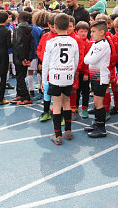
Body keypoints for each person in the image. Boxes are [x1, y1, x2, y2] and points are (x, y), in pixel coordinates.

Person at [42, 13, 79, 145]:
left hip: (55, 76)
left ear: (55, 26)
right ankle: (68, 131)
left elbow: (45, 63)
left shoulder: (51, 42)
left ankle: (57, 135)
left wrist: (43, 80)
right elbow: (76, 61)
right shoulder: (74, 41)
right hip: (68, 76)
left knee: (57, 104)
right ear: (68, 26)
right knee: (67, 102)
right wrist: (71, 73)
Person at [82, 20, 111, 138]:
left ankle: (101, 127)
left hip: (100, 77)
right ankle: (97, 123)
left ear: (102, 32)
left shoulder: (103, 44)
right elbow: (86, 58)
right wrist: (88, 57)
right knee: (95, 102)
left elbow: (89, 60)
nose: (91, 34)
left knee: (99, 103)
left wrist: (88, 58)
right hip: (94, 76)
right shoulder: (95, 44)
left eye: (93, 31)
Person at [10, 11, 34, 105]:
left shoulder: (18, 29)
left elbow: (18, 44)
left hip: (19, 57)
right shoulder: (29, 29)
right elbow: (31, 45)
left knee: (19, 77)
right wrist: (29, 58)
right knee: (21, 76)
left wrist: (22, 58)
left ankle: (25, 97)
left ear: (19, 18)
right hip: (26, 57)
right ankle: (20, 93)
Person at [74, 21, 91, 118]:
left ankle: (85, 108)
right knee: (76, 90)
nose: (84, 33)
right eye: (81, 31)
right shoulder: (75, 42)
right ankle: (75, 106)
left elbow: (88, 61)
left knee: (85, 91)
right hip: (76, 72)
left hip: (84, 72)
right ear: (77, 32)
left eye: (85, 31)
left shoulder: (88, 44)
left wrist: (86, 73)